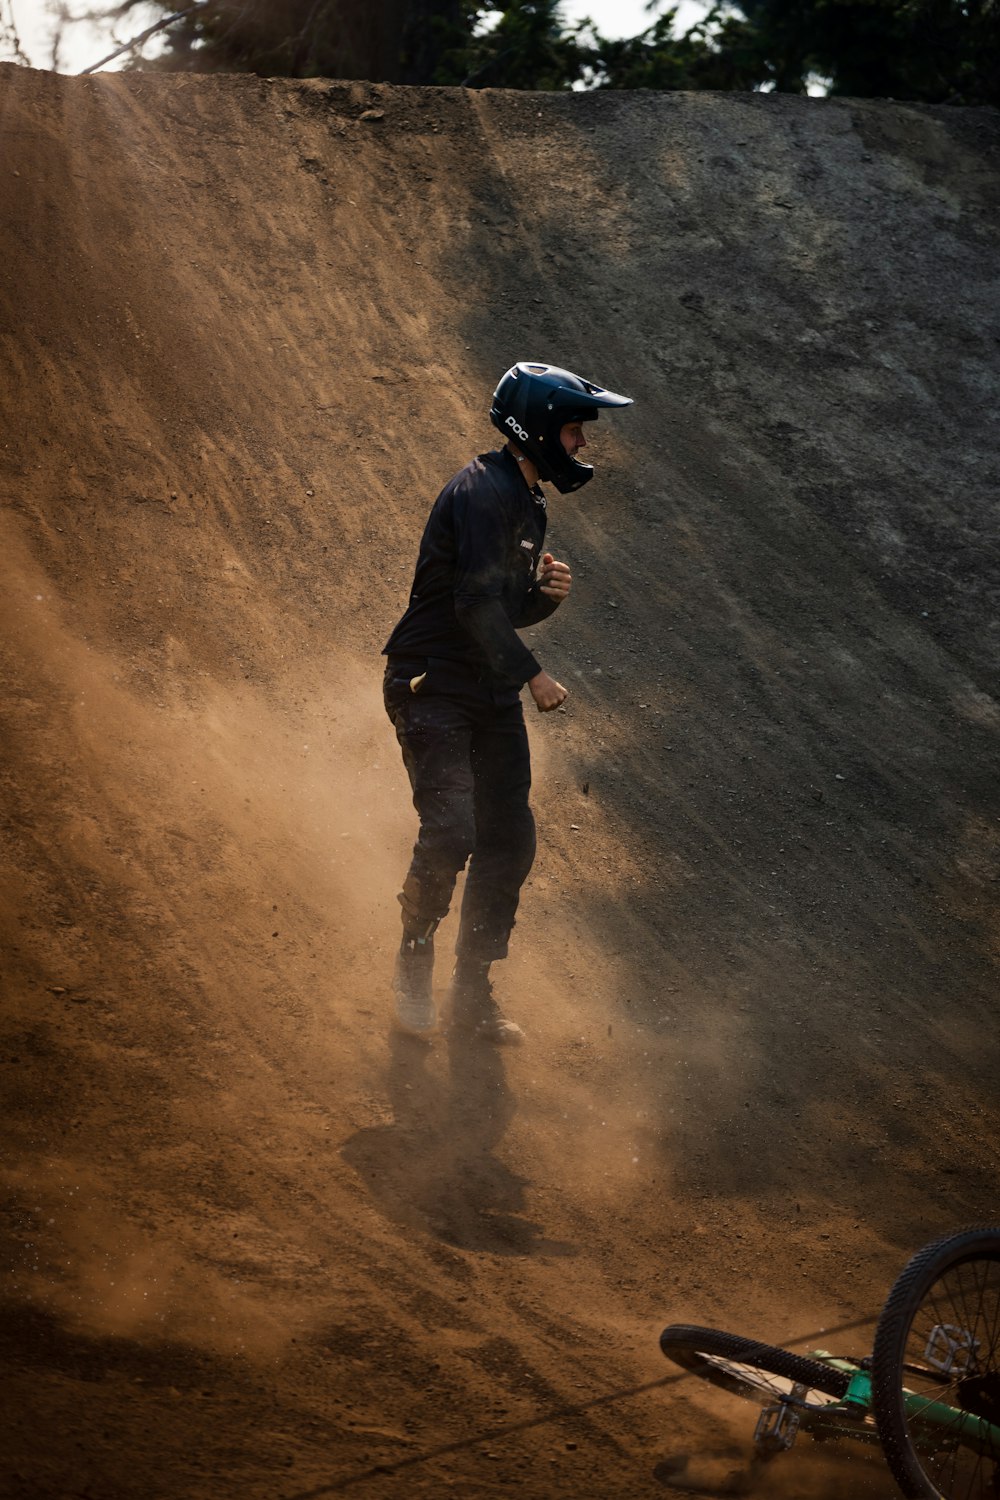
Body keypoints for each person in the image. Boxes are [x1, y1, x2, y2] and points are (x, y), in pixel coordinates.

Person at [382, 361, 633, 1044]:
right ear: (546, 426)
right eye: (578, 429)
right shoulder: (481, 493)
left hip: (483, 690)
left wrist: (541, 601)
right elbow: (468, 605)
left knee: (509, 839)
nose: (583, 443)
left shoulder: (528, 504)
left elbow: (497, 610)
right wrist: (535, 676)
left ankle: (472, 994)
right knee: (453, 831)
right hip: (430, 683)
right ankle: (413, 961)